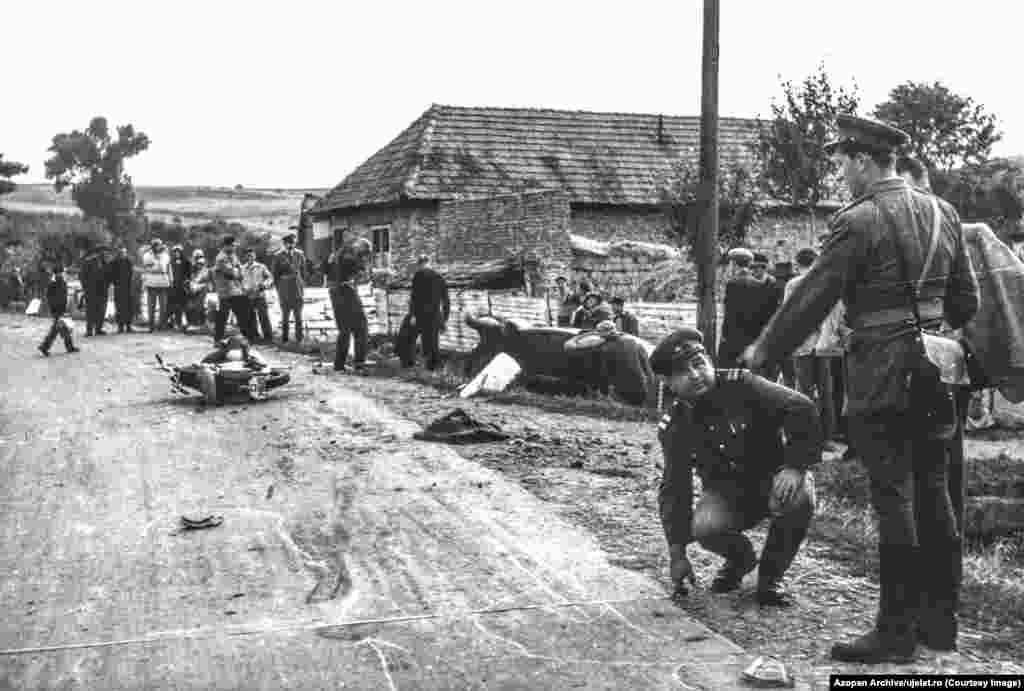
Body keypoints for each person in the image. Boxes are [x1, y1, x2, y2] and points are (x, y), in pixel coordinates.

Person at [741, 114, 979, 663]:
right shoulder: (945, 212)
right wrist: (929, 322)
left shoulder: (861, 220)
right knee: (936, 494)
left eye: (842, 164)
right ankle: (940, 626)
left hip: (883, 371)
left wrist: (764, 356)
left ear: (864, 161)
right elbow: (966, 303)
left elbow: (813, 298)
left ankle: (894, 633)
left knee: (893, 498)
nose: (840, 176)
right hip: (939, 369)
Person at [650, 327, 820, 608]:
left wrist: (795, 466)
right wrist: (677, 554)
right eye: (682, 371)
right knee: (706, 527)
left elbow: (802, 408)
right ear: (668, 382)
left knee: (798, 497)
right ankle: (740, 560)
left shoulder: (743, 385)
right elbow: (674, 487)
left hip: (774, 480)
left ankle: (769, 579)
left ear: (710, 362)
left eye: (698, 364)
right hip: (728, 494)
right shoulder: (675, 424)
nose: (694, 374)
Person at [785, 248, 841, 453]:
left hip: (802, 344)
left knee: (804, 393)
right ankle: (827, 438)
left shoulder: (793, 284)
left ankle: (805, 438)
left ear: (797, 263)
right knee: (826, 392)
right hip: (822, 343)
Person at [326, 237, 372, 371]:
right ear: (360, 248)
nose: (364, 256)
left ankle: (339, 364)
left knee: (344, 330)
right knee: (361, 327)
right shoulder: (349, 257)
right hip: (347, 292)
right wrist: (364, 268)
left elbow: (326, 269)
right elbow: (363, 275)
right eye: (364, 252)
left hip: (335, 292)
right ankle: (359, 363)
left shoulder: (337, 254)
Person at [719, 248, 762, 367]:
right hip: (752, 337)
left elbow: (730, 313)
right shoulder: (759, 284)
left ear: (733, 263)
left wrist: (724, 336)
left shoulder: (733, 284)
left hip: (734, 338)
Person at [593, 320, 653, 405]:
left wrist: (603, 391)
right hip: (641, 387)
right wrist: (650, 381)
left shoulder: (606, 349)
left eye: (599, 333)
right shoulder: (631, 341)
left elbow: (605, 373)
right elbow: (645, 363)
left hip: (622, 391)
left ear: (604, 333)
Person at [407, 254, 451, 370]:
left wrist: (412, 315)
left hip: (421, 314)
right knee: (433, 341)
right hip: (435, 315)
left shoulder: (418, 276)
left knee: (421, 340)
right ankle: (432, 367)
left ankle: (417, 365)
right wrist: (445, 319)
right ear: (429, 262)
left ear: (420, 264)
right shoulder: (439, 277)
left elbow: (414, 297)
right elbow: (446, 300)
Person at [212, 236, 252, 342]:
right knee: (223, 317)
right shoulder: (221, 258)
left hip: (235, 290)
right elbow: (231, 272)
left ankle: (245, 339)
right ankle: (218, 340)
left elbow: (240, 272)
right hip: (225, 291)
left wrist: (237, 271)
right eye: (233, 246)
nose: (235, 248)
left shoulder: (233, 256)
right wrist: (237, 271)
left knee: (242, 315)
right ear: (227, 246)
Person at [272, 232, 308, 343]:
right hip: (285, 289)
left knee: (298, 317)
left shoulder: (300, 254)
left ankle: (299, 339)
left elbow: (303, 271)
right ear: (284, 244)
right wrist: (279, 290)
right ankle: (285, 339)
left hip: (297, 289)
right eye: (288, 243)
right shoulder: (278, 256)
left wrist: (302, 285)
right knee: (285, 317)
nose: (291, 245)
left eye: (292, 242)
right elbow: (275, 275)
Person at [37, 266, 79, 356]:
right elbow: (51, 298)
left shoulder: (59, 282)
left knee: (64, 327)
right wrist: (56, 309)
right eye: (62, 272)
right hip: (58, 309)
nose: (63, 273)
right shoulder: (55, 283)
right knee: (56, 329)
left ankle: (69, 346)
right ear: (58, 273)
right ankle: (44, 346)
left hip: (61, 309)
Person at [242, 248, 274, 343]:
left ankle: (268, 337)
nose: (250, 257)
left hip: (260, 295)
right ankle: (254, 337)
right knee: (251, 317)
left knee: (263, 316)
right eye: (248, 256)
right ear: (245, 257)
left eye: (251, 255)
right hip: (248, 295)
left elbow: (270, 278)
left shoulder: (261, 267)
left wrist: (264, 285)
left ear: (254, 256)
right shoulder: (242, 268)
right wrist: (243, 289)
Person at [141, 238, 172, 332]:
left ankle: (162, 325)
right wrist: (157, 266)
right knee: (151, 306)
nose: (157, 247)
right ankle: (151, 326)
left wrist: (171, 280)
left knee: (163, 306)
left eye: (159, 245)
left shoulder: (166, 255)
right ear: (152, 246)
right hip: (151, 282)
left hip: (163, 281)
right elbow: (148, 268)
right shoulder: (147, 255)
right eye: (155, 245)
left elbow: (167, 268)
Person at [79, 247, 109, 337]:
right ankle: (89, 330)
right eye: (103, 252)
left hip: (102, 290)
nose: (105, 254)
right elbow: (82, 276)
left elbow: (108, 275)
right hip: (91, 290)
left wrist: (107, 285)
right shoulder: (88, 262)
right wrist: (85, 288)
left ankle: (98, 329)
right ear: (98, 253)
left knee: (101, 310)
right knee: (90, 310)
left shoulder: (105, 262)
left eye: (105, 253)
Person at [109, 247, 135, 333]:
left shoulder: (129, 262)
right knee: (119, 307)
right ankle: (120, 326)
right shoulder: (114, 262)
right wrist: (115, 282)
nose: (123, 254)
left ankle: (128, 326)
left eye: (125, 252)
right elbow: (111, 274)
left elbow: (132, 274)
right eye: (122, 252)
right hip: (119, 287)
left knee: (129, 307)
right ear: (119, 253)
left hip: (128, 287)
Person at [165, 246, 191, 330]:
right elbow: (168, 273)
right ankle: (172, 322)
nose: (177, 254)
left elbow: (189, 274)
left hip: (182, 287)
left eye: (178, 252)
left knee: (182, 306)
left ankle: (181, 323)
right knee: (172, 306)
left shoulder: (186, 261)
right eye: (175, 252)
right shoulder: (171, 262)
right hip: (173, 287)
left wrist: (187, 281)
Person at [185, 250, 211, 331]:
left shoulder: (206, 270)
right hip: (192, 289)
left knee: (199, 306)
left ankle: (201, 324)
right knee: (189, 306)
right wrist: (189, 285)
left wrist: (198, 286)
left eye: (200, 257)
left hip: (202, 290)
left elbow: (208, 283)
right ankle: (191, 323)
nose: (199, 264)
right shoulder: (191, 269)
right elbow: (188, 280)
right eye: (196, 257)